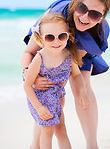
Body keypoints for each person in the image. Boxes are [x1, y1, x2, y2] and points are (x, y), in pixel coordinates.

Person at [21, 0, 110, 149]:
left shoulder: (98, 32)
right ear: (74, 2)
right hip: (55, 35)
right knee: (44, 91)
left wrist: (80, 90)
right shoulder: (54, 20)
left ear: (102, 17)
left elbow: (75, 67)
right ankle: (35, 145)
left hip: (78, 51)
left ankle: (92, 145)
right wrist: (30, 75)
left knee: (82, 90)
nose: (85, 17)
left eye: (94, 15)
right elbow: (29, 53)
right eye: (82, 8)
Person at [23, 13, 89, 149]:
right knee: (47, 131)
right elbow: (27, 85)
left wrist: (82, 91)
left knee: (61, 130)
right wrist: (39, 107)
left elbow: (76, 75)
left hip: (57, 98)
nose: (56, 41)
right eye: (50, 37)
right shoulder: (39, 58)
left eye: (62, 36)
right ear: (41, 39)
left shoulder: (69, 55)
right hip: (40, 99)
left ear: (68, 35)